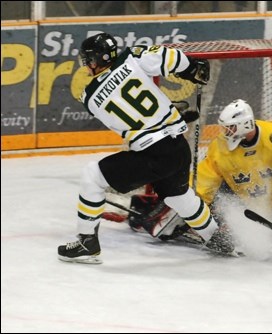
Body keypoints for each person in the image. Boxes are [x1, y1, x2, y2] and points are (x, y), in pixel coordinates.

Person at [57, 32, 235, 264]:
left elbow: (128, 113)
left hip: (154, 154)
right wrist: (191, 68)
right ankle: (216, 237)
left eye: (88, 59)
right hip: (179, 147)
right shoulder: (133, 58)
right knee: (178, 195)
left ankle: (86, 242)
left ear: (94, 60)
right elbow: (168, 57)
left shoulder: (91, 98)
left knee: (93, 174)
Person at [130, 99, 272, 255]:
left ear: (244, 124)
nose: (225, 132)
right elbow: (205, 181)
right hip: (243, 198)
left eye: (230, 128)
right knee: (224, 213)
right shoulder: (220, 148)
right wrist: (186, 205)